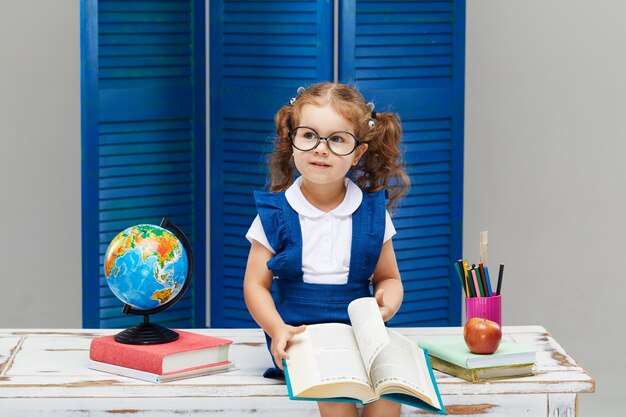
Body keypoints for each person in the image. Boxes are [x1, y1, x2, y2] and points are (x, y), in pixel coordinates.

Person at [243, 82, 409, 417]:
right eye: (309, 136)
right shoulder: (275, 214)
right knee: (337, 395)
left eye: (337, 140)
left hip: (359, 334)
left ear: (357, 152)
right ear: (292, 141)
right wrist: (277, 329)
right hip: (298, 335)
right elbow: (255, 285)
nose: (321, 149)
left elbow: (389, 278)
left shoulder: (371, 213)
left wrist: (388, 301)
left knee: (389, 393)